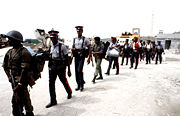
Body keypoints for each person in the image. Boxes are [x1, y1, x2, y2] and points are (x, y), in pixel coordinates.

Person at [2, 30, 34, 116]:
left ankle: (27, 113)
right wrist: (9, 76)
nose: (8, 41)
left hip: (22, 80)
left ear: (16, 40)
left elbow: (25, 69)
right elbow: (5, 66)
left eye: (10, 39)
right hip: (13, 79)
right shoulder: (9, 52)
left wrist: (19, 84)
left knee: (21, 99)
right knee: (20, 99)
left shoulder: (24, 52)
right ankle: (25, 112)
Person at [46, 29, 72, 108]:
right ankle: (53, 100)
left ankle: (69, 92)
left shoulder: (62, 46)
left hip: (61, 66)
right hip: (53, 66)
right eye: (51, 38)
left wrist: (69, 70)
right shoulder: (50, 46)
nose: (53, 39)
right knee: (51, 83)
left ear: (57, 37)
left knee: (63, 80)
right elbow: (50, 56)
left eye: (54, 38)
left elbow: (67, 58)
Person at [71, 26, 91, 91]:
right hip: (76, 55)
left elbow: (89, 48)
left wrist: (89, 57)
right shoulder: (74, 39)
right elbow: (73, 46)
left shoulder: (85, 39)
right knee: (76, 71)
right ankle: (78, 85)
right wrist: (72, 49)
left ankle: (82, 85)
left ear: (82, 31)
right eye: (77, 31)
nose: (78, 32)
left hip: (82, 55)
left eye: (80, 31)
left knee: (79, 70)